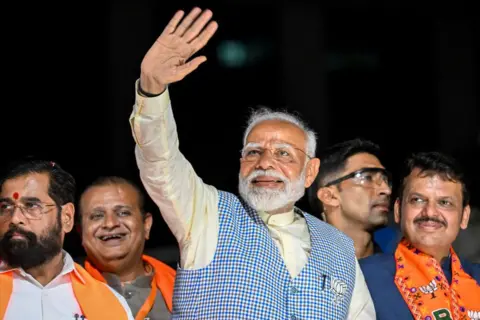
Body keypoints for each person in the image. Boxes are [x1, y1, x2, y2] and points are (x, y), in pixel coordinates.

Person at [129, 7, 375, 319]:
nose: (265, 163)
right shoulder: (206, 215)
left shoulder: (339, 246)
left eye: (283, 154)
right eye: (254, 152)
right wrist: (152, 88)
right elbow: (160, 161)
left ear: (310, 171)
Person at [0, 159, 134, 320]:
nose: (15, 218)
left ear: (66, 217)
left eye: (31, 206)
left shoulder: (110, 304)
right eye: (5, 207)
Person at [360, 152, 480, 320]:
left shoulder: (477, 278)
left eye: (445, 203)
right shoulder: (363, 276)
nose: (430, 212)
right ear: (397, 210)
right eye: (417, 200)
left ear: (464, 216)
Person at [77, 176, 176, 320]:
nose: (110, 223)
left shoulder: (186, 292)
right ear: (81, 232)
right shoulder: (61, 293)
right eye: (97, 216)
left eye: (123, 213)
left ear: (146, 225)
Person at [307, 138, 395, 258]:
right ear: (329, 196)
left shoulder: (398, 269)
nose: (386, 190)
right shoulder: (296, 266)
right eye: (367, 178)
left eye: (385, 180)